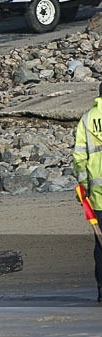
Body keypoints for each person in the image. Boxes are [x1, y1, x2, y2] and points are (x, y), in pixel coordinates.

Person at [72, 82, 102, 302]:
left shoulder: (87, 119)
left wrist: (83, 188)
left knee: (100, 245)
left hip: (98, 193)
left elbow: (80, 158)